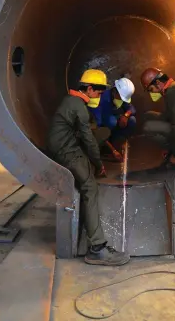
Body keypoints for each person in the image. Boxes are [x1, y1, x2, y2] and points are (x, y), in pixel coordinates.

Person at [47, 69, 130, 266]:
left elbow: (92, 134)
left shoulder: (71, 101)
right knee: (90, 187)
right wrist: (98, 164)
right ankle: (97, 249)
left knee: (101, 132)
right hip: (66, 152)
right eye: (98, 93)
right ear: (90, 89)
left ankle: (96, 246)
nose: (99, 97)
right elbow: (89, 142)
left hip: (65, 145)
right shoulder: (80, 108)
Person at [89, 77, 136, 147]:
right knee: (111, 122)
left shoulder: (121, 96)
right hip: (102, 125)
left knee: (132, 120)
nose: (122, 100)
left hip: (114, 120)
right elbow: (97, 125)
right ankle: (110, 143)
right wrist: (112, 149)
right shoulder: (102, 99)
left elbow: (132, 108)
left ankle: (121, 140)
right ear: (114, 91)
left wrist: (125, 115)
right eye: (121, 98)